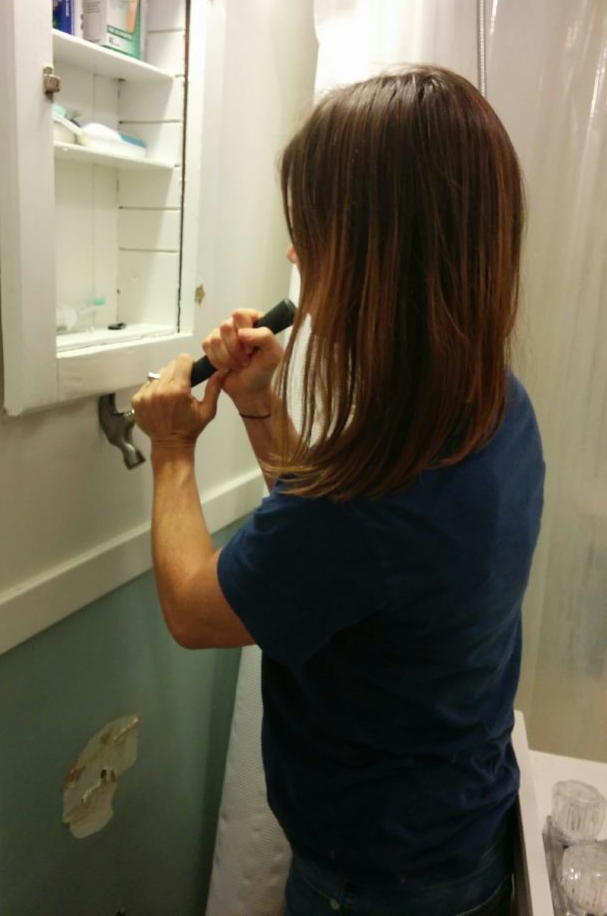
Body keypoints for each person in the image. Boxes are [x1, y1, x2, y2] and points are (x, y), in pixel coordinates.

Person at [130, 66, 544, 916]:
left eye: (309, 229)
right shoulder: (494, 405)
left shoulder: (378, 492)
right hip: (454, 831)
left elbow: (197, 612)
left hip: (378, 882)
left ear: (373, 252)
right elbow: (341, 559)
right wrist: (260, 408)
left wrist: (172, 449)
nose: (294, 253)